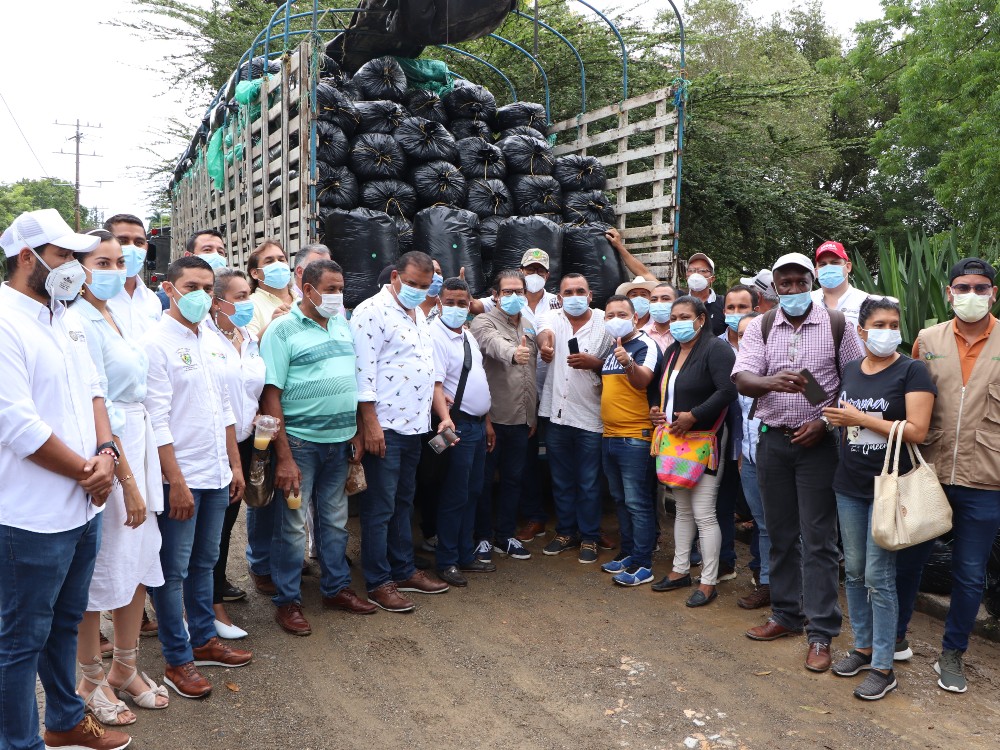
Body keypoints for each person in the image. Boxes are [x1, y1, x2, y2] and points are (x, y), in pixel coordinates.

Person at [0, 210, 131, 750]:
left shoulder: (69, 316)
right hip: (30, 514)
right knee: (20, 640)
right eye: (65, 256)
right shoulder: (6, 321)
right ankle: (18, 742)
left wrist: (104, 453)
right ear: (29, 257)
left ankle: (65, 720)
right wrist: (89, 472)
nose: (75, 268)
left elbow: (96, 390)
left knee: (66, 620)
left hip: (83, 508)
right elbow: (17, 424)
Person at [732, 252, 863, 672]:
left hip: (817, 447)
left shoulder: (838, 324)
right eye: (783, 283)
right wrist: (771, 381)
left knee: (819, 540)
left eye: (798, 281)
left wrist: (824, 423)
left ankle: (821, 631)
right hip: (772, 442)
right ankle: (786, 614)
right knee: (781, 534)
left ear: (812, 282)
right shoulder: (763, 325)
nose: (791, 289)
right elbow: (743, 377)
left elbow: (855, 381)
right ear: (775, 287)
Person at [143, 256, 251, 699]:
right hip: (181, 476)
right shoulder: (155, 343)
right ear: (170, 289)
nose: (201, 296)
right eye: (191, 287)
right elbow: (157, 418)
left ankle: (204, 639)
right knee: (173, 569)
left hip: (215, 471)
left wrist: (235, 466)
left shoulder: (209, 336)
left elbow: (225, 409)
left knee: (206, 561)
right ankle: (177, 658)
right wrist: (176, 481)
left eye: (207, 288)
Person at [72, 230, 168, 726]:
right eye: (101, 261)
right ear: (76, 266)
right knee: (99, 570)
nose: (114, 268)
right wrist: (127, 479)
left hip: (141, 443)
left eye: (119, 260)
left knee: (137, 561)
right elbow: (96, 405)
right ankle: (88, 678)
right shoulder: (77, 321)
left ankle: (125, 668)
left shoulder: (120, 313)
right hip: (108, 454)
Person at [821, 296, 935, 700]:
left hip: (888, 489)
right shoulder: (852, 369)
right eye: (879, 324)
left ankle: (885, 666)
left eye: (893, 323)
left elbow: (918, 430)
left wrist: (860, 419)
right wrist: (838, 419)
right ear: (862, 331)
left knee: (878, 577)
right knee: (852, 572)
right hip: (849, 484)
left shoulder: (912, 370)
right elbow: (849, 422)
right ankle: (864, 648)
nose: (888, 330)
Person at [895, 257, 1000, 694]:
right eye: (962, 287)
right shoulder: (927, 339)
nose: (970, 295)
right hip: (929, 470)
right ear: (948, 292)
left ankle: (952, 652)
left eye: (980, 288)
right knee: (910, 561)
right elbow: (913, 399)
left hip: (986, 478)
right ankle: (894, 637)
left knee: (970, 573)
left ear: (993, 293)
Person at [260, 259, 369, 634]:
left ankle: (335, 587)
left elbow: (349, 381)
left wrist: (355, 431)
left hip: (339, 444)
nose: (338, 296)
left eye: (341, 289)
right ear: (308, 290)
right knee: (291, 527)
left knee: (335, 522)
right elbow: (270, 395)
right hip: (300, 445)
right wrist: (284, 455)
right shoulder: (282, 331)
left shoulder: (342, 325)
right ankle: (287, 601)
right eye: (332, 289)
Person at [351, 251, 450, 613]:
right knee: (379, 506)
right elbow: (363, 372)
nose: (418, 290)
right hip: (386, 427)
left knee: (403, 501)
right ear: (395, 276)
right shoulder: (370, 312)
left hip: (414, 426)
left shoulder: (418, 312)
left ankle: (403, 568)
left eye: (424, 286)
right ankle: (379, 581)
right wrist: (370, 425)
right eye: (411, 284)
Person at [649, 296, 737, 606]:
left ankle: (709, 581)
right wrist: (656, 410)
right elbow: (661, 390)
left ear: (701, 318)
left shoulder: (716, 349)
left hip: (705, 439)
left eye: (684, 316)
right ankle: (679, 569)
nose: (676, 322)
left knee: (704, 513)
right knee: (683, 510)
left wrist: (695, 415)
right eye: (673, 317)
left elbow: (727, 390)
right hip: (676, 440)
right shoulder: (673, 351)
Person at [206, 269, 267, 639]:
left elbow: (249, 387)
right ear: (217, 302)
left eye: (249, 295)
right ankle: (207, 606)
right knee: (209, 530)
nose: (246, 303)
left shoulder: (248, 335)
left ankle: (209, 600)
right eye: (239, 296)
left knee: (226, 526)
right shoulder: (206, 339)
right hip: (215, 444)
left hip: (246, 440)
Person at [536, 273, 614, 563]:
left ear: (590, 295)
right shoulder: (551, 317)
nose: (575, 296)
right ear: (560, 297)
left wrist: (597, 365)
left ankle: (590, 536)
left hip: (591, 416)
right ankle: (566, 531)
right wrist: (545, 346)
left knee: (590, 481)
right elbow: (545, 333)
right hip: (557, 414)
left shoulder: (606, 322)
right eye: (568, 292)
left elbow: (618, 364)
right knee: (561, 479)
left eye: (580, 291)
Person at [430, 278, 497, 587]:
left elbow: (476, 380)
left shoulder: (468, 336)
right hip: (456, 427)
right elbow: (437, 385)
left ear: (471, 304)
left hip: (477, 425)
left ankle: (465, 554)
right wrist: (446, 420)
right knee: (455, 494)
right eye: (451, 302)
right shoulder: (436, 337)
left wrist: (487, 423)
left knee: (473, 491)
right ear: (439, 303)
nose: (457, 307)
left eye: (462, 302)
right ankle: (446, 560)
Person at [470, 270, 537, 562]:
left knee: (513, 479)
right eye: (507, 292)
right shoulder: (483, 321)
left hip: (522, 419)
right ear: (495, 295)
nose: (513, 297)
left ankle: (505, 535)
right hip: (493, 418)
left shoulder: (528, 323)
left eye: (518, 292)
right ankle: (482, 537)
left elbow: (533, 370)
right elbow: (492, 344)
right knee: (483, 481)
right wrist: (513, 353)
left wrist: (531, 416)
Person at [598, 295, 660, 586]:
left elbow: (643, 380)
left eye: (621, 314)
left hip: (636, 437)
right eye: (609, 315)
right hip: (610, 436)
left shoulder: (645, 345)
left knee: (638, 503)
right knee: (621, 501)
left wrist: (629, 364)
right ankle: (630, 554)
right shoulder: (614, 347)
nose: (615, 319)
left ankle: (644, 563)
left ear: (635, 318)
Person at [715, 284, 760, 582]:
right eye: (730, 308)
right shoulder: (715, 346)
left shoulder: (768, 344)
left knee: (761, 511)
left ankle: (760, 571)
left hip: (757, 445)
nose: (736, 314)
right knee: (721, 502)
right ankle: (724, 561)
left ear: (756, 310)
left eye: (742, 308)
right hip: (722, 441)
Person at [734, 313, 772, 610]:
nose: (750, 339)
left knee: (789, 527)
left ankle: (794, 591)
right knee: (762, 525)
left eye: (755, 333)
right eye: (744, 334)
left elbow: (821, 401)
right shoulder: (738, 372)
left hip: (784, 458)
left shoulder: (794, 363)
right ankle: (767, 584)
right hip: (749, 458)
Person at [105, 214, 162, 339]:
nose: (132, 247)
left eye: (139, 242)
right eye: (123, 241)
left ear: (146, 247)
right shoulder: (95, 296)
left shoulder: (152, 300)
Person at [246, 239, 296, 339]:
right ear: (255, 273)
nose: (278, 265)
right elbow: (250, 347)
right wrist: (273, 325)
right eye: (269, 261)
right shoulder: (249, 305)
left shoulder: (301, 301)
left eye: (281, 260)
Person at [811, 240, 869, 327]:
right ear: (816, 272)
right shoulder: (807, 301)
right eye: (823, 264)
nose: (828, 267)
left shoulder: (866, 302)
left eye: (835, 263)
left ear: (848, 267)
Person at [685, 252, 726, 335]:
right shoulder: (679, 302)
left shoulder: (723, 303)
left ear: (712, 278)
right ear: (686, 276)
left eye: (702, 271)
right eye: (691, 270)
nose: (696, 274)